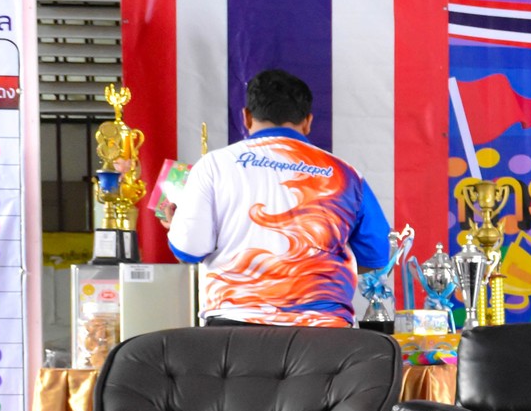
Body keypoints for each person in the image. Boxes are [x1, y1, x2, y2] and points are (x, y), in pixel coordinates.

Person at [167, 68, 392, 326]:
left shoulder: (213, 165)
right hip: (324, 332)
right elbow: (376, 256)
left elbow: (188, 251)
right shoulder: (346, 174)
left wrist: (177, 226)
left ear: (246, 117)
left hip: (234, 328)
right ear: (307, 121)